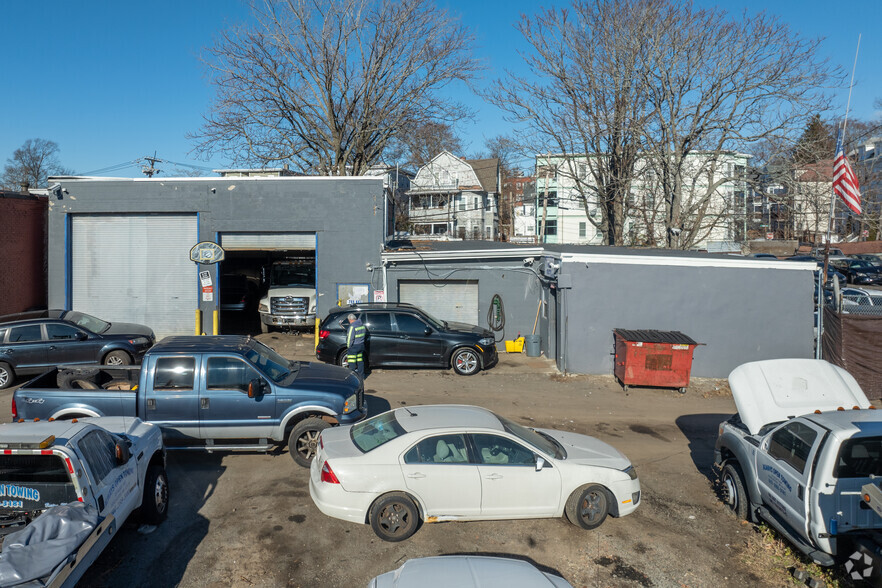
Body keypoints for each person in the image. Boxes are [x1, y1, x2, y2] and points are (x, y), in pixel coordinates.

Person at [345, 313, 366, 377]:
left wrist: (348, 346)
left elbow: (350, 338)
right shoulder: (362, 324)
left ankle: (352, 377)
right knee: (360, 361)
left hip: (354, 346)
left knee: (352, 362)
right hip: (361, 345)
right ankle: (361, 376)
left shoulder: (352, 326)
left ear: (350, 319)